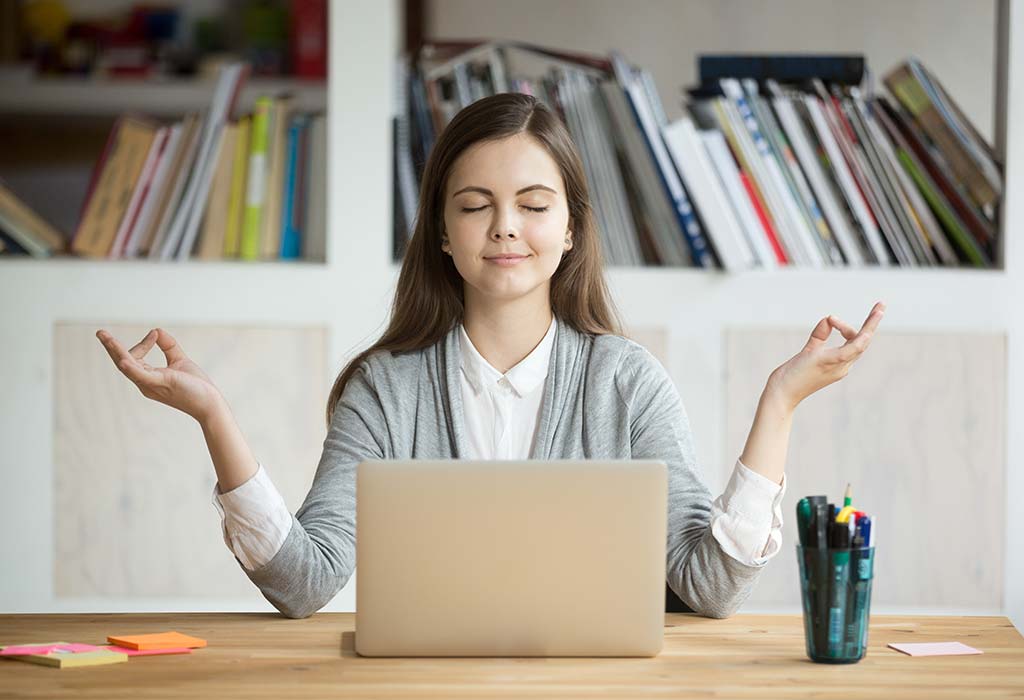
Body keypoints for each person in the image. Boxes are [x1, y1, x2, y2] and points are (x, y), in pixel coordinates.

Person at [96, 92, 885, 620]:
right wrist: (213, 415)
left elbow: (707, 588)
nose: (505, 227)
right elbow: (305, 585)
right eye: (475, 207)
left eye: (534, 207)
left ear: (570, 228)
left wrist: (778, 403)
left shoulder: (627, 382)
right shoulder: (386, 389)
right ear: (443, 233)